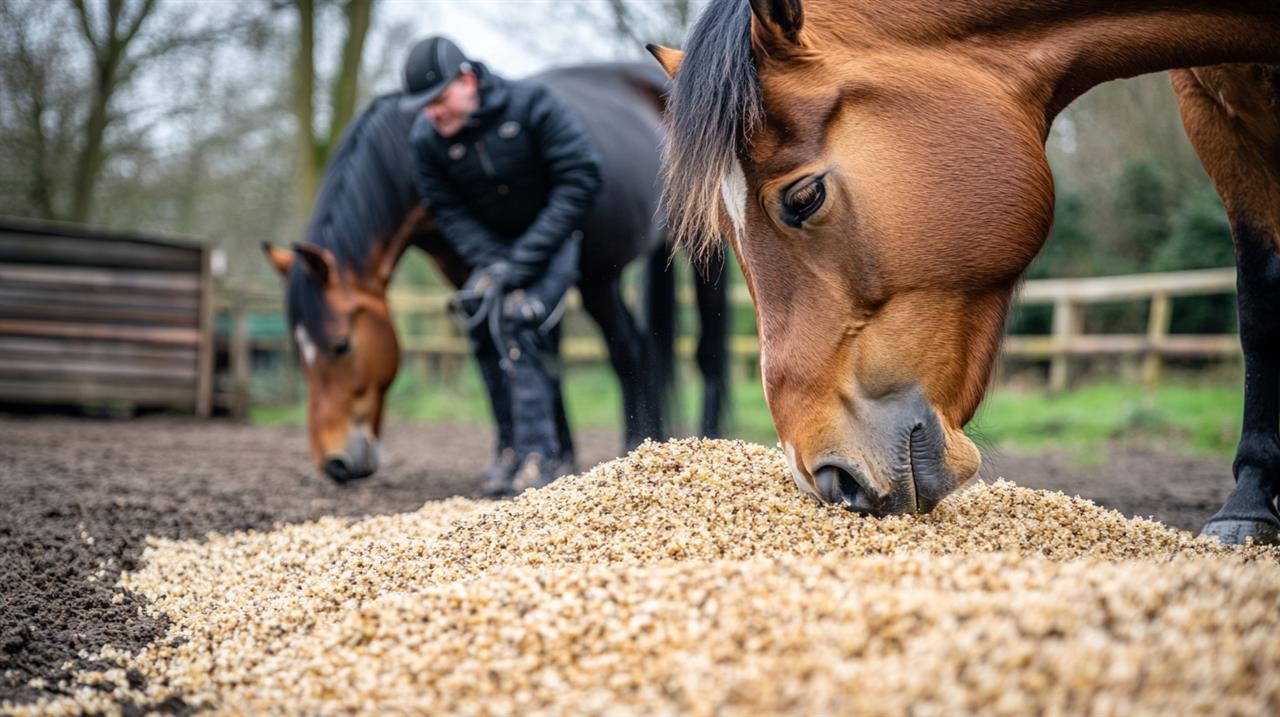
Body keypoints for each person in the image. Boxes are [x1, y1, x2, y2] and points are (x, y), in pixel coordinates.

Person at [401, 36, 601, 497]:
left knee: (518, 319)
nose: (432, 113)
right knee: (479, 318)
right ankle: (510, 447)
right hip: (494, 251)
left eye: (438, 99)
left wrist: (521, 263)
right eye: (423, 106)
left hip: (552, 240)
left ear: (467, 81)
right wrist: (492, 263)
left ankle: (541, 455)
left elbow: (580, 177)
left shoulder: (532, 105)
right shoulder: (426, 138)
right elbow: (444, 207)